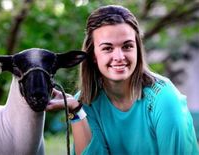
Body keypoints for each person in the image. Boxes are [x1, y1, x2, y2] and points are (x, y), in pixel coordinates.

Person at [46, 5, 199, 155]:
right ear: (93, 55)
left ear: (137, 49)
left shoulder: (164, 98)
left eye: (127, 46)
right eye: (107, 48)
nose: (119, 57)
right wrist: (76, 110)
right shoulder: (85, 102)